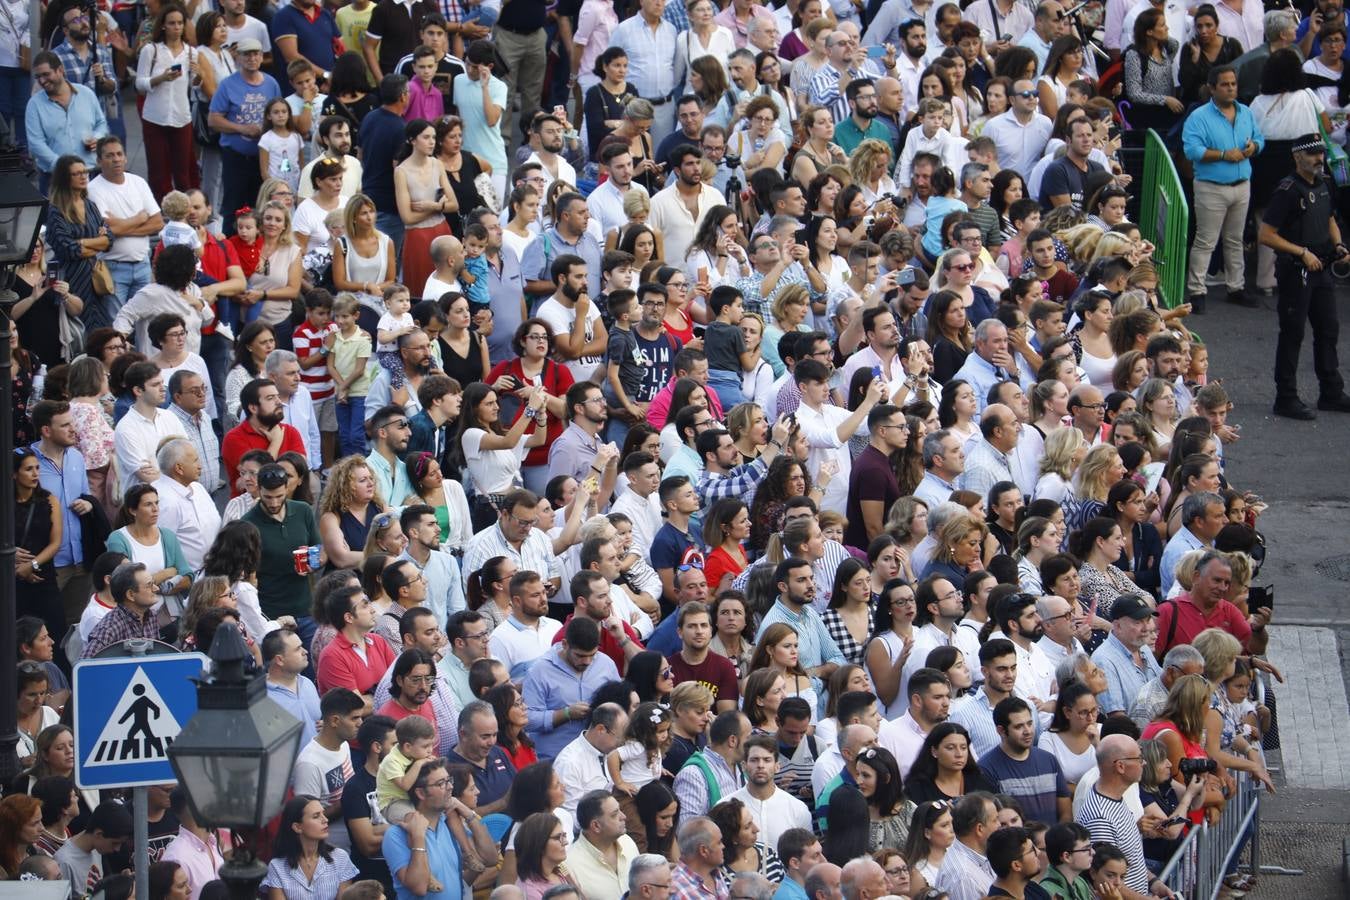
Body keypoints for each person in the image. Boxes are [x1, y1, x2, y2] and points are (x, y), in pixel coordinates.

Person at [1259, 131, 1350, 419]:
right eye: (1312, 154)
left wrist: (1338, 245)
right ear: (1297, 157)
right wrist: (1301, 252)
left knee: (1328, 329)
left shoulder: (1325, 183)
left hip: (1321, 267)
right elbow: (1266, 235)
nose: (1319, 159)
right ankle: (1286, 397)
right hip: (1296, 270)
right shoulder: (1287, 190)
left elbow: (1330, 218)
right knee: (1293, 332)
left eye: (1321, 153)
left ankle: (1331, 392)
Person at [1182, 66, 1261, 313]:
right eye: (1225, 84)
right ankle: (1197, 291)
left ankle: (1235, 287)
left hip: (1242, 185)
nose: (1230, 88)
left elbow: (1260, 138)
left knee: (1235, 240)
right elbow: (1192, 150)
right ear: (1212, 88)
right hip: (1211, 187)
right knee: (1206, 241)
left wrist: (1253, 147)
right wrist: (1225, 155)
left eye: (1233, 84)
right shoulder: (1199, 116)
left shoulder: (1246, 112)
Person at [383, 757, 500, 900]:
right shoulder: (396, 835)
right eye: (441, 783)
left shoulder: (451, 824)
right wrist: (418, 838)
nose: (450, 787)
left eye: (449, 780)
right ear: (421, 793)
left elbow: (490, 859)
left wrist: (468, 813)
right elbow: (419, 888)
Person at [1074, 736, 1167, 897]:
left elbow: (1132, 858)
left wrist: (1153, 882)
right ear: (1121, 766)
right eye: (1139, 758)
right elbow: (1107, 883)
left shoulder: (1116, 800)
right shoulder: (1100, 817)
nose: (1144, 763)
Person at [263, 794, 360, 900]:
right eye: (316, 816)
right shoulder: (277, 867)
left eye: (323, 813)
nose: (325, 819)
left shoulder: (340, 858)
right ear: (297, 827)